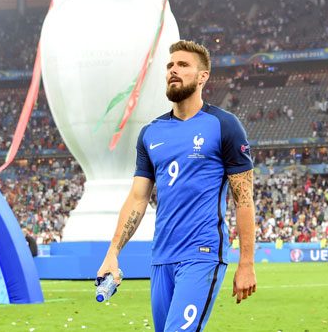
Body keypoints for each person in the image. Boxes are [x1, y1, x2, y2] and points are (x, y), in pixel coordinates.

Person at [97, 40, 257, 332]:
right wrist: (113, 252)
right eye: (170, 65)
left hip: (202, 253)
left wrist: (246, 262)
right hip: (161, 258)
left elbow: (243, 199)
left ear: (203, 76)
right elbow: (137, 199)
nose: (173, 70)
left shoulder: (224, 125)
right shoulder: (151, 133)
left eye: (183, 65)